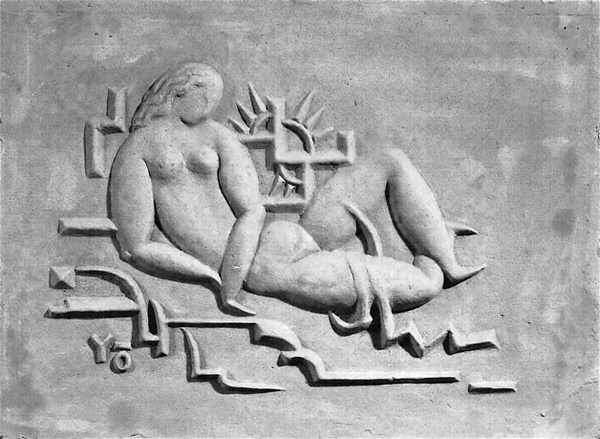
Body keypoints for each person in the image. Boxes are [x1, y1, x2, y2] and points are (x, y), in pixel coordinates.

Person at [109, 62, 484, 342]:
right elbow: (135, 246)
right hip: (267, 268)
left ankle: (446, 258)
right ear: (178, 91)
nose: (209, 106)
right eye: (204, 95)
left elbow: (252, 210)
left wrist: (228, 282)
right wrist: (215, 279)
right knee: (426, 284)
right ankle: (434, 258)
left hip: (282, 241)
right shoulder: (136, 150)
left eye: (216, 99)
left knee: (389, 160)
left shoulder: (216, 135)